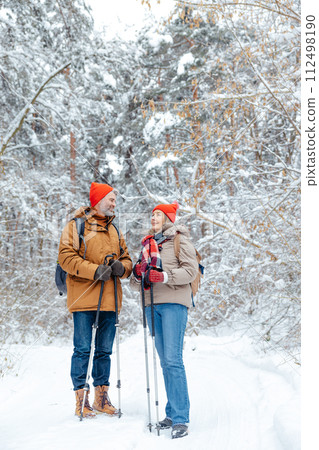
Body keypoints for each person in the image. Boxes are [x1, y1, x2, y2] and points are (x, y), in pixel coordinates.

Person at [58, 182, 132, 418]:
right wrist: (94, 271)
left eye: (114, 200)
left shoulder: (115, 230)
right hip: (83, 298)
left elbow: (128, 259)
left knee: (104, 351)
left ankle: (101, 398)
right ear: (98, 201)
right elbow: (66, 258)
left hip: (110, 299)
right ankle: (81, 400)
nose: (114, 203)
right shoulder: (76, 226)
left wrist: (123, 268)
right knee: (82, 349)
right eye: (110, 199)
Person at [131, 201, 198, 439]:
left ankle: (181, 418)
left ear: (168, 218)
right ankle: (171, 414)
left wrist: (165, 275)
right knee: (165, 362)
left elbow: (192, 272)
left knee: (173, 360)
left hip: (174, 304)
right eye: (152, 214)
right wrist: (138, 274)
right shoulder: (148, 245)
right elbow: (136, 281)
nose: (153, 217)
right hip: (152, 305)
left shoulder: (180, 241)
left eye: (158, 214)